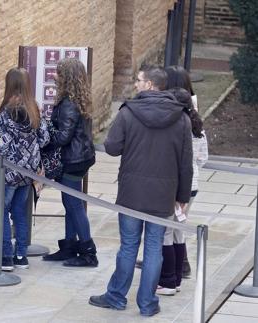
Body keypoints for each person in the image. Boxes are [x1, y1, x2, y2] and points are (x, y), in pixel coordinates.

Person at [89, 65, 193, 317]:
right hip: (163, 195)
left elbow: (112, 148)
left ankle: (116, 296)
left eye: (138, 80)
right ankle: (147, 303)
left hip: (131, 194)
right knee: (154, 248)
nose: (135, 84)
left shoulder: (128, 113)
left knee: (128, 246)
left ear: (149, 85)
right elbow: (185, 163)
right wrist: (182, 197)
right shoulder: (182, 118)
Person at [0, 68, 49, 271]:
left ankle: (4, 257)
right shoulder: (34, 108)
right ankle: (21, 255)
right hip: (28, 172)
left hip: (9, 171)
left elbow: (0, 145)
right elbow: (44, 139)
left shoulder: (6, 112)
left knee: (2, 211)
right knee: (20, 212)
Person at [41, 58, 97, 267]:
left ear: (67, 78)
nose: (54, 76)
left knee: (73, 204)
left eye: (58, 73)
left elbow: (63, 137)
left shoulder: (68, 104)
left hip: (73, 160)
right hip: (81, 157)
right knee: (70, 203)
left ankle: (88, 252)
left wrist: (45, 136)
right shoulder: (77, 99)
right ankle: (69, 247)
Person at [156, 87, 208, 296]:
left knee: (167, 230)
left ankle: (168, 281)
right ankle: (176, 278)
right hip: (193, 185)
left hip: (176, 184)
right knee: (179, 228)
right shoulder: (199, 128)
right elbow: (203, 158)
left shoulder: (176, 127)